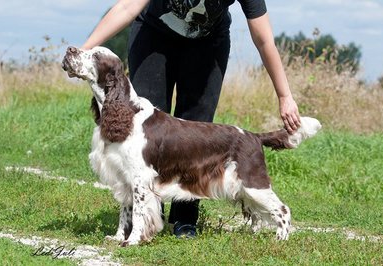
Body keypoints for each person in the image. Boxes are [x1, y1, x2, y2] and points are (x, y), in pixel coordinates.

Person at [82, 0, 301, 238]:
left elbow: (264, 39)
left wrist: (284, 95)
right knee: (143, 134)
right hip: (154, 36)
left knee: (197, 132)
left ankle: (185, 221)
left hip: (207, 44)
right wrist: (84, 53)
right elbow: (126, 7)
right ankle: (142, 222)